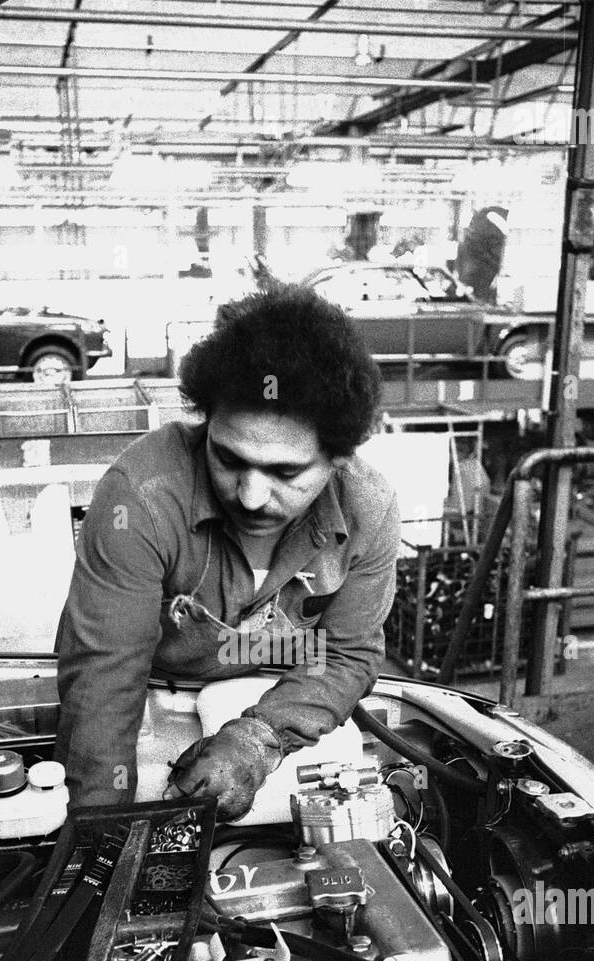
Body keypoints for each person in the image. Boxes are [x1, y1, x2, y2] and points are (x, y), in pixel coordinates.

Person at [54, 283, 400, 820]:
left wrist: (260, 736)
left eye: (286, 472)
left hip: (288, 702)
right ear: (206, 424)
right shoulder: (140, 495)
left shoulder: (368, 508)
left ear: (338, 458)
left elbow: (348, 653)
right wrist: (102, 838)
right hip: (149, 705)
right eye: (229, 459)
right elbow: (105, 675)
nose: (251, 496)